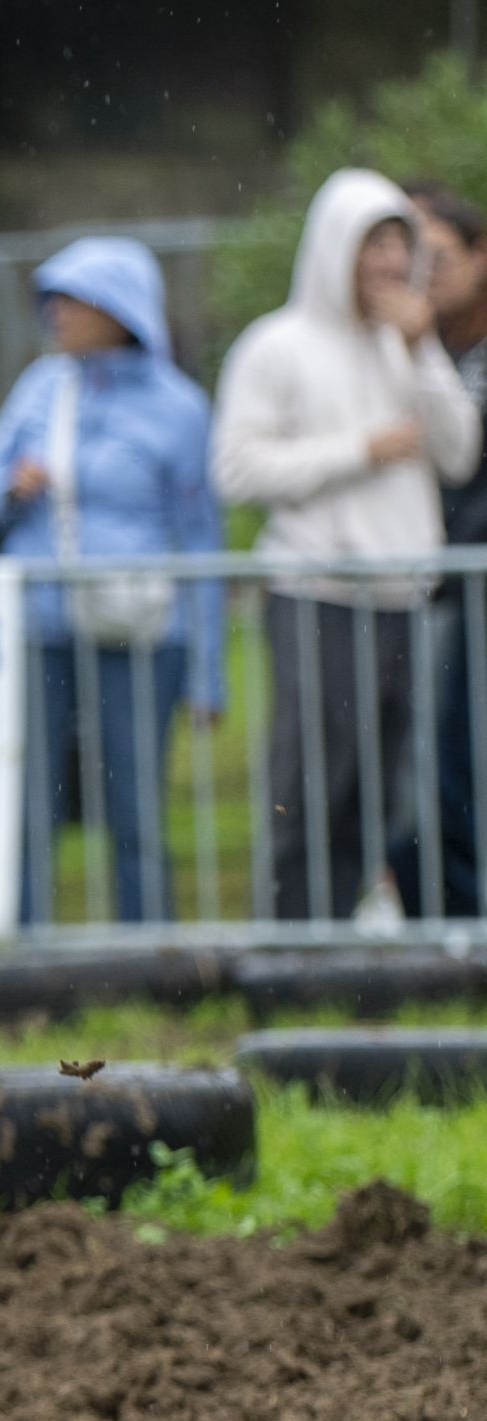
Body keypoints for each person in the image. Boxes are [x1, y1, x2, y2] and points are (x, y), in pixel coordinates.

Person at [213, 168, 482, 921]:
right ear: (337, 248)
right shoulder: (277, 346)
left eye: (400, 245)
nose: (391, 263)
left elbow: (459, 452)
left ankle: (346, 946)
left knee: (385, 792)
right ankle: (291, 944)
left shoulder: (409, 345)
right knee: (309, 787)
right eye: (374, 245)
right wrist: (359, 451)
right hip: (318, 593)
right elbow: (236, 468)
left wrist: (423, 353)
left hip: (404, 597)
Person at [0, 236, 224, 923]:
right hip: (42, 627)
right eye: (51, 300)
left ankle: (148, 952)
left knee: (135, 803)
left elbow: (201, 538)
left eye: (74, 301)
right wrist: (13, 485)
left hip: (141, 630)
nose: (57, 315)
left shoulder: (179, 407)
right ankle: (29, 947)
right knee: (32, 798)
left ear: (121, 310)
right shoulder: (41, 388)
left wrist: (208, 673)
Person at [397, 179, 486, 917]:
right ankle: (436, 924)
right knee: (410, 775)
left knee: (455, 768)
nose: (422, 272)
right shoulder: (402, 348)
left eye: (439, 255)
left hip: (464, 584)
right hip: (418, 586)